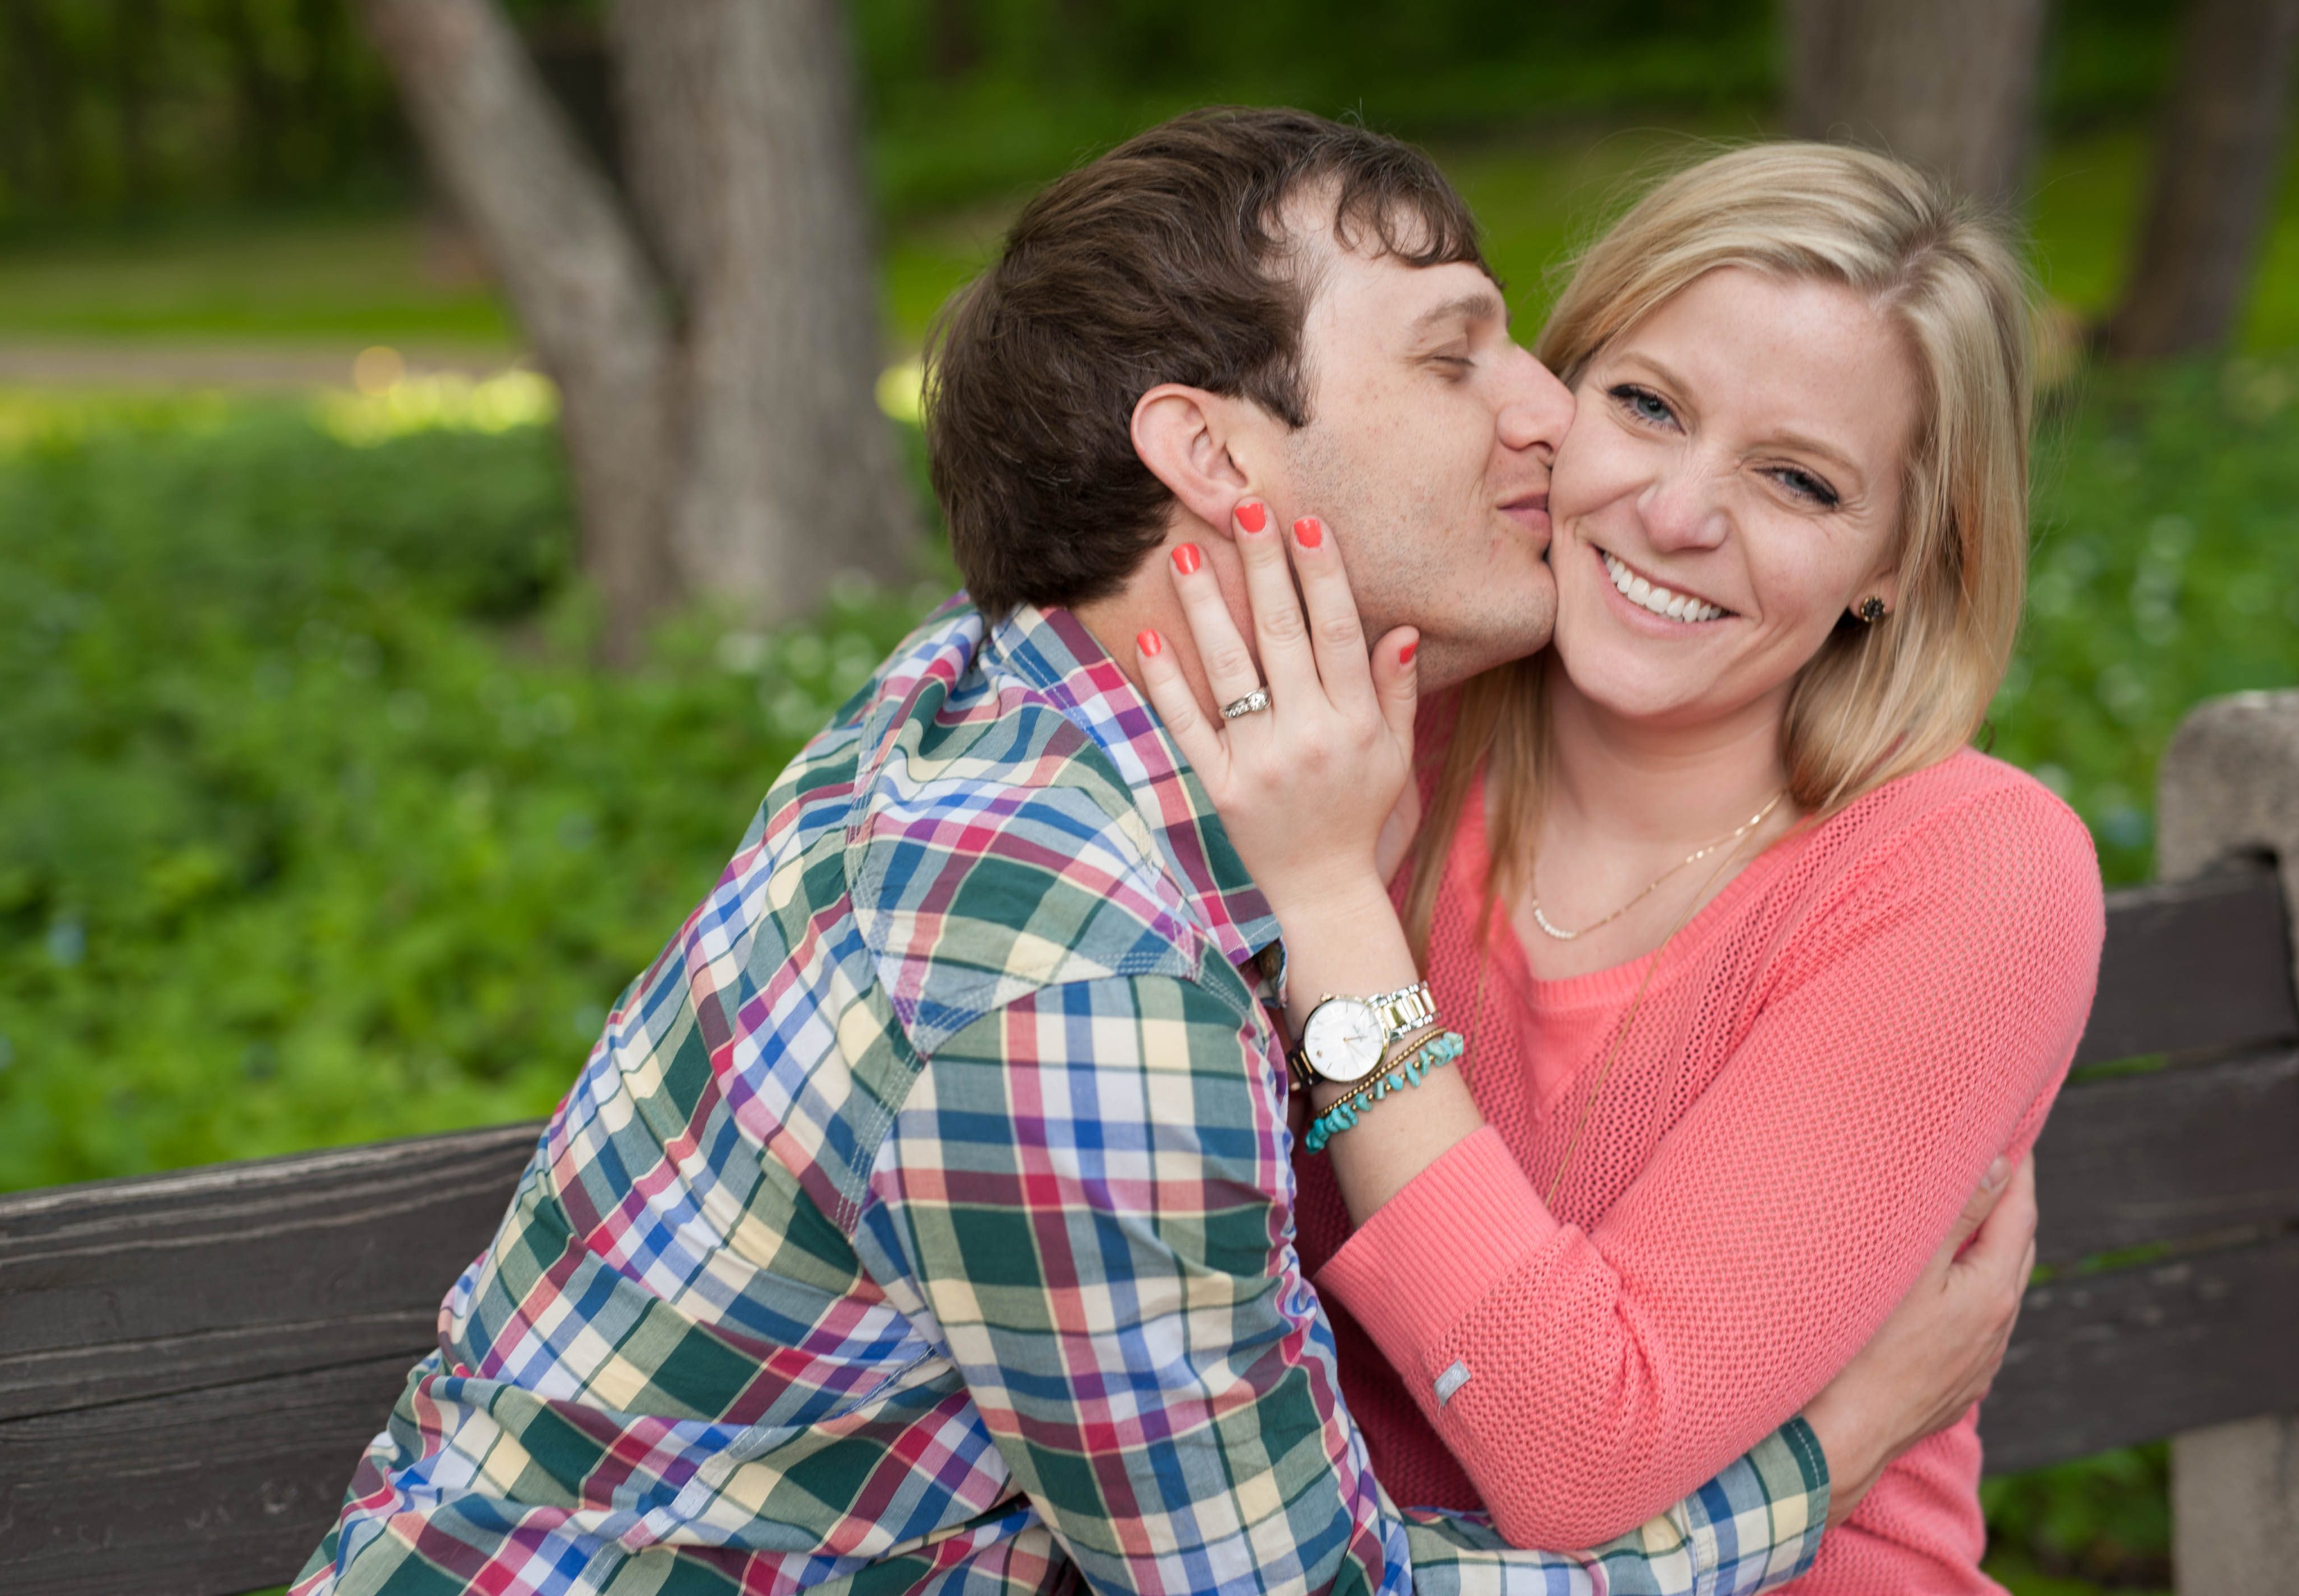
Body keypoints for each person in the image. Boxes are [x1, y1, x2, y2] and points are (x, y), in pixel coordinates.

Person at [291, 112, 2035, 1596]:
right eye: (1461, 359)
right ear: (1207, 452)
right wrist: (1844, 1439)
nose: (1557, 425)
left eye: (1803, 483)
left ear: (1904, 550)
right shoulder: (1087, 985)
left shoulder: (1002, 692)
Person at [1130, 142, 2101, 1595]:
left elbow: (1582, 1449)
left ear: (1902, 558)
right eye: (1647, 407)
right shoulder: (1373, 730)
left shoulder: (1967, 867)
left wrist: (1334, 912)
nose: (1677, 515)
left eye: (1799, 482)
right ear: (1546, 398)